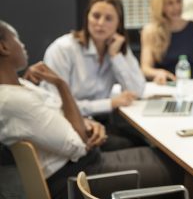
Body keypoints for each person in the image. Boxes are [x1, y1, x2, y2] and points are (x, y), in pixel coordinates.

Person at [0, 20, 181, 199]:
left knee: (161, 153)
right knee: (182, 169)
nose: (23, 45)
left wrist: (85, 122)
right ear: (4, 47)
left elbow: (58, 113)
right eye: (16, 39)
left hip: (83, 162)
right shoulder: (15, 101)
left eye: (109, 18)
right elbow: (78, 145)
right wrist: (62, 86)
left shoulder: (21, 85)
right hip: (75, 176)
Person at [43, 0, 146, 149]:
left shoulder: (116, 48)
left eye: (109, 18)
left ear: (118, 23)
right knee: (137, 147)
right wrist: (109, 103)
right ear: (87, 17)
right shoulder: (63, 49)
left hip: (101, 123)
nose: (100, 23)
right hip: (69, 126)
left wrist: (115, 57)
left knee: (145, 142)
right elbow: (56, 104)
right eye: (96, 16)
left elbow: (137, 91)